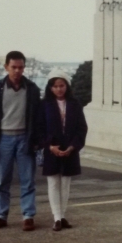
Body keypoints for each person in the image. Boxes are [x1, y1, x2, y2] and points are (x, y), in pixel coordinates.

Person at [0, 51, 42, 231]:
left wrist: (37, 140)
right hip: (3, 139)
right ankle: (0, 215)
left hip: (25, 138)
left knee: (27, 179)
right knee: (1, 180)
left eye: (20, 67)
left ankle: (28, 216)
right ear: (6, 67)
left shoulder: (32, 89)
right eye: (13, 67)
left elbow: (38, 116)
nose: (17, 71)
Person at [39, 70, 88, 232]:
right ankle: (57, 217)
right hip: (52, 150)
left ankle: (63, 215)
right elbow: (40, 129)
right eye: (55, 86)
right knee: (53, 184)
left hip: (70, 150)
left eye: (62, 85)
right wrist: (50, 146)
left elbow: (81, 129)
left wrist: (72, 147)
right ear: (50, 88)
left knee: (65, 184)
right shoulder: (44, 105)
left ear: (67, 86)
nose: (59, 89)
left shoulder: (75, 104)